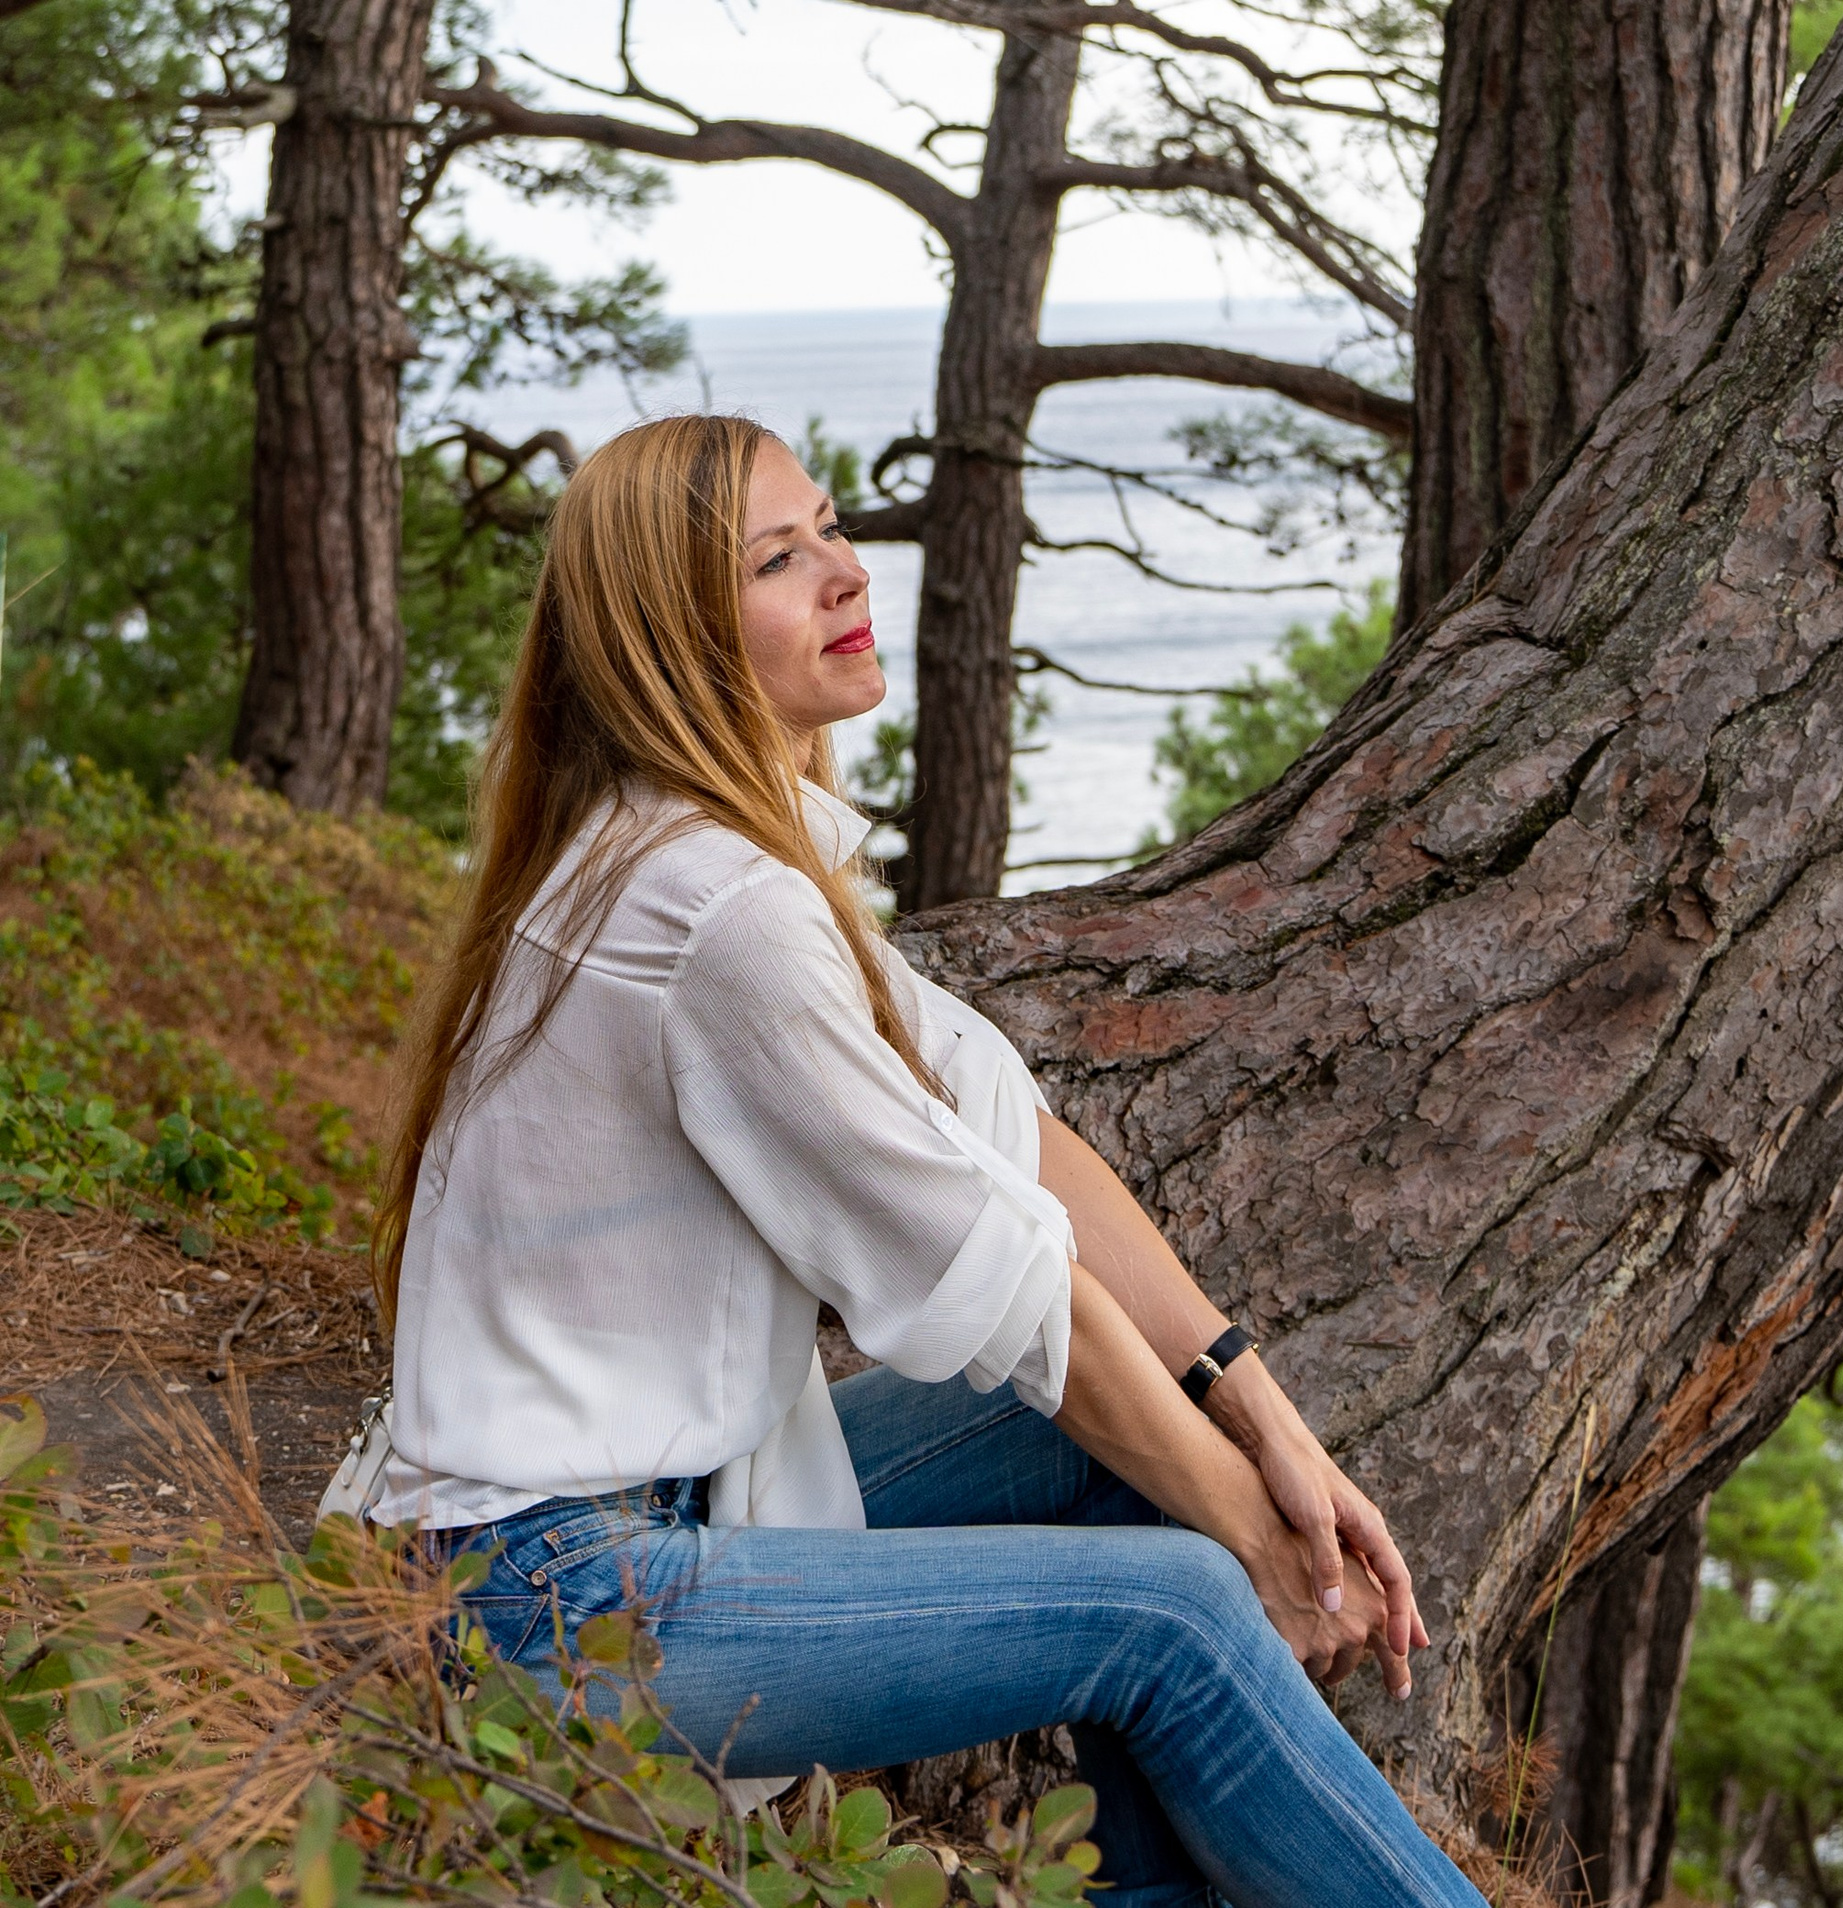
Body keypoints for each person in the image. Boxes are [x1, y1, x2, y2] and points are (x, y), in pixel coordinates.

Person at [365, 413, 1488, 1908]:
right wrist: (1255, 1543)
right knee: (1178, 1616)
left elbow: (1016, 1130)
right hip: (552, 1610)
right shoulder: (717, 914)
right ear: (672, 637)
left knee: (1124, 1465)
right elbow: (1012, 1289)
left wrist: (1262, 1417)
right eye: (779, 559)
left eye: (831, 525)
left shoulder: (700, 850)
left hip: (650, 1518)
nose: (845, 570)